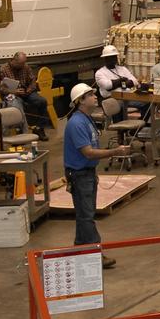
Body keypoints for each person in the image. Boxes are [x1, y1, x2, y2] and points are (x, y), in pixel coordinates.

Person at [63, 84, 130, 268]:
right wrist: (115, 151)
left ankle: (80, 250)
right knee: (86, 217)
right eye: (90, 95)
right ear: (80, 101)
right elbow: (88, 152)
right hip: (80, 174)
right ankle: (95, 255)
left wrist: (94, 171)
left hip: (87, 172)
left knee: (85, 215)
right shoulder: (77, 123)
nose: (95, 97)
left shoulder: (86, 119)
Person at [1, 51, 50, 139]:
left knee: (42, 101)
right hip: (12, 94)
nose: (22, 65)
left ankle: (39, 128)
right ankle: (21, 131)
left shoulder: (26, 67)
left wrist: (29, 90)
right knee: (16, 105)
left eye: (24, 63)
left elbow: (32, 81)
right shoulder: (4, 69)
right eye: (20, 63)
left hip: (26, 93)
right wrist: (14, 92)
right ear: (14, 60)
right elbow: (1, 89)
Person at [95, 44, 145, 121]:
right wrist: (122, 80)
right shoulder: (100, 73)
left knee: (146, 103)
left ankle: (140, 124)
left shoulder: (122, 69)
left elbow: (135, 82)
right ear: (105, 59)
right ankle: (120, 130)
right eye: (111, 57)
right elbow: (108, 86)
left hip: (127, 97)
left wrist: (117, 83)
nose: (114, 59)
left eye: (115, 56)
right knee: (119, 105)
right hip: (112, 99)